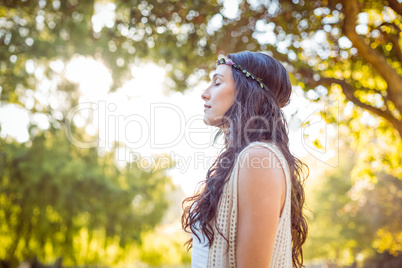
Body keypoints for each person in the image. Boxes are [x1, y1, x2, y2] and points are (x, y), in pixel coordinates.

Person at [181, 51, 309, 268]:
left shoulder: (259, 159)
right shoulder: (243, 159)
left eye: (217, 83)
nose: (205, 93)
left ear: (245, 91)